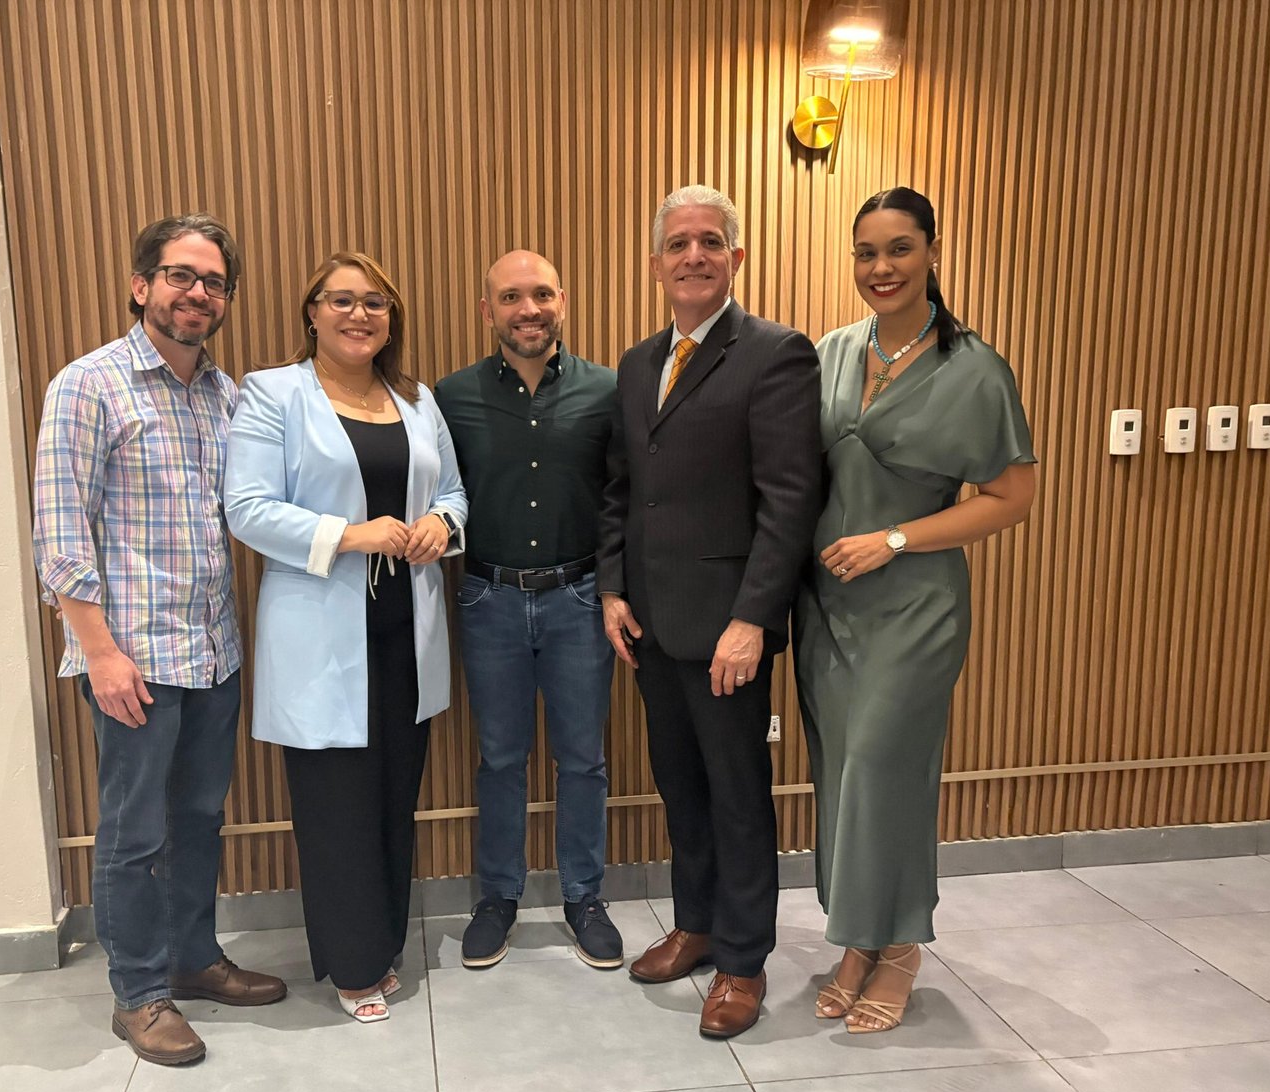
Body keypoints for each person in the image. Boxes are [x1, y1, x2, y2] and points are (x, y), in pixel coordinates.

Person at [31, 213, 287, 1067]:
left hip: (212, 652)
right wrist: (99, 653)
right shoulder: (88, 385)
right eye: (181, 275)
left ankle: (193, 957)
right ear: (142, 285)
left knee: (200, 820)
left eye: (213, 282)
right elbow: (60, 534)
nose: (197, 293)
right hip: (132, 659)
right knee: (133, 834)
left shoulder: (226, 395)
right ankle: (139, 993)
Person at [796, 187, 1037, 1033]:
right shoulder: (830, 353)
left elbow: (1011, 498)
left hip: (914, 605)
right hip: (826, 606)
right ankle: (857, 937)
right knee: (840, 771)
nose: (881, 267)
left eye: (899, 248)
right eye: (866, 252)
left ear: (933, 251)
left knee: (884, 768)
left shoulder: (974, 369)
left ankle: (900, 947)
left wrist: (894, 540)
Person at [597, 186, 823, 1038]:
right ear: (655, 263)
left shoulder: (775, 354)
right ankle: (694, 924)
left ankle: (741, 957)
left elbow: (789, 500)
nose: (693, 255)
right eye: (678, 243)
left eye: (710, 241)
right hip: (651, 625)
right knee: (680, 785)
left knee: (736, 794)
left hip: (728, 628)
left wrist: (753, 618)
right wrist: (613, 589)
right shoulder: (636, 363)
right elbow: (622, 489)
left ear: (737, 256)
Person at [224, 251, 467, 1024]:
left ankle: (383, 946)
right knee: (337, 808)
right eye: (341, 300)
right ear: (312, 312)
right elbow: (247, 507)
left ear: (391, 318)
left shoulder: (416, 399)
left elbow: (454, 491)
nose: (359, 315)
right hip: (322, 637)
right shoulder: (274, 393)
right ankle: (353, 965)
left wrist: (441, 523)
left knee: (394, 797)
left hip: (404, 633)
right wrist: (349, 534)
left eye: (375, 303)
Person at [434, 251, 623, 970]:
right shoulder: (451, 396)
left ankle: (584, 897)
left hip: (580, 598)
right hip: (489, 599)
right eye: (511, 297)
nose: (529, 309)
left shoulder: (608, 390)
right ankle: (498, 898)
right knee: (500, 758)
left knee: (583, 759)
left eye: (541, 294)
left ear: (562, 301)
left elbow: (623, 499)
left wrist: (615, 588)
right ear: (489, 311)